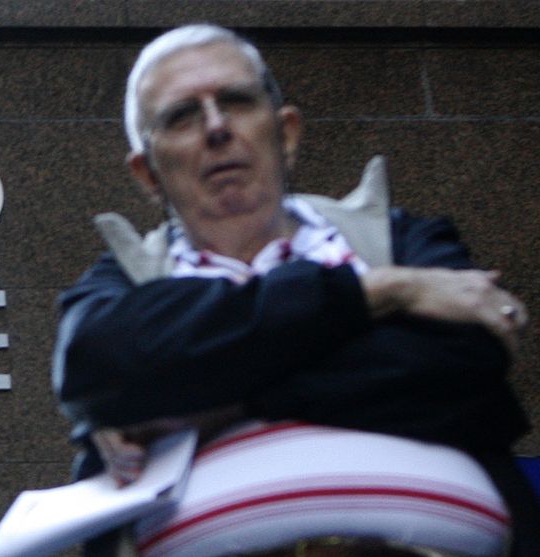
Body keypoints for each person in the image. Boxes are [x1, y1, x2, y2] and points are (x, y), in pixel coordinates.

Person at [52, 24, 540, 557]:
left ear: (285, 133)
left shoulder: (404, 241)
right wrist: (376, 294)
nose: (217, 128)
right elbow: (93, 366)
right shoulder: (120, 286)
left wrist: (208, 397)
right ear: (147, 173)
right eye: (182, 116)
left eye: (236, 101)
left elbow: (462, 364)